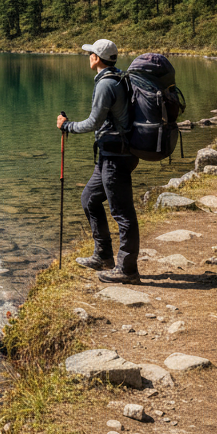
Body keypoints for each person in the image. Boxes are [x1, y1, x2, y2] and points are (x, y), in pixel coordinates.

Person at [55, 38, 140, 285]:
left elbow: (94, 122)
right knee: (89, 199)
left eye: (90, 53)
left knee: (123, 214)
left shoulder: (106, 84)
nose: (88, 56)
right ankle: (103, 256)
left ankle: (128, 269)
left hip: (117, 157)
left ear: (97, 58)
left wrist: (67, 126)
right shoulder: (117, 78)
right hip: (110, 155)